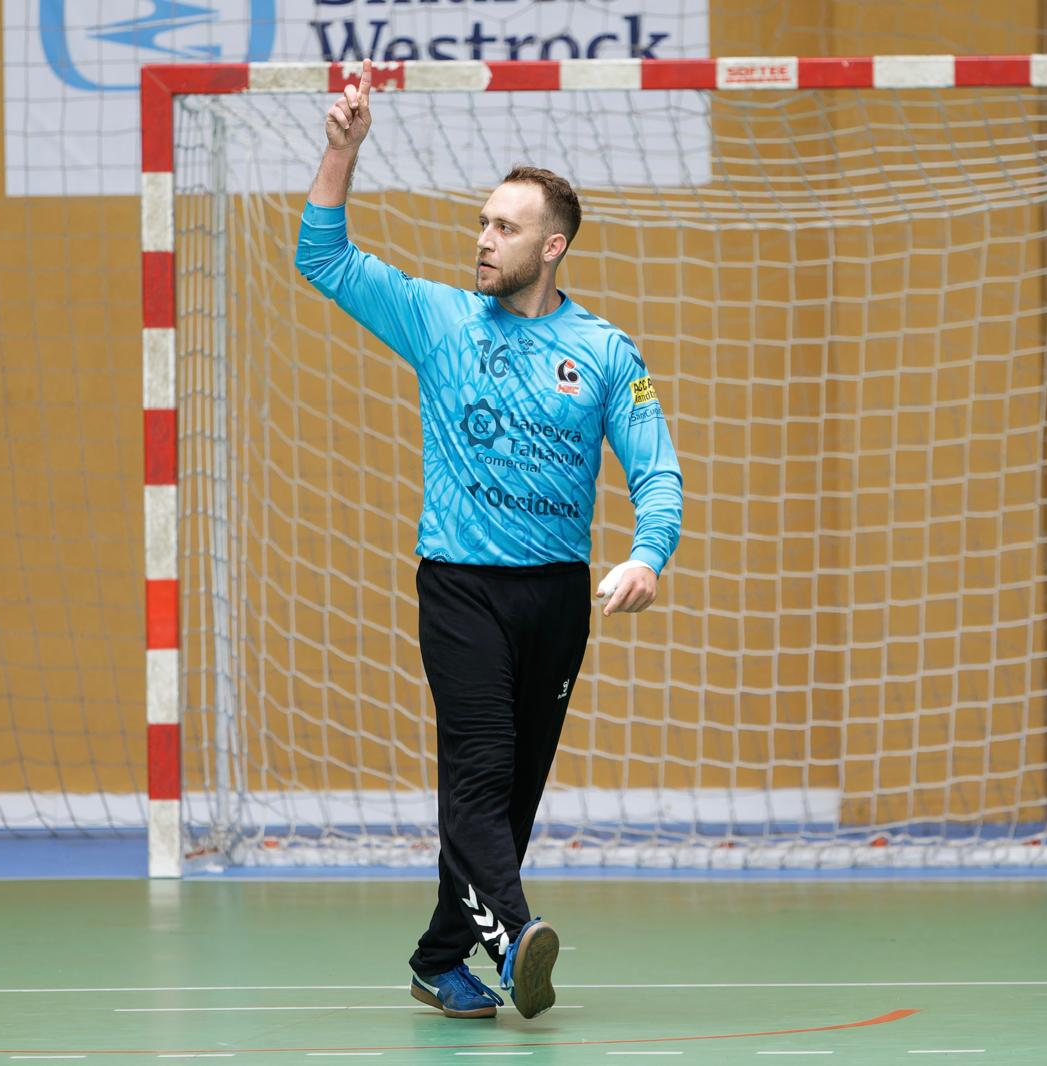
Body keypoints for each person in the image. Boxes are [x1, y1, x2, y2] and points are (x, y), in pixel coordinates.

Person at [294, 59, 683, 1021]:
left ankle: (438, 958)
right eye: (481, 222)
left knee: (511, 801)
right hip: (460, 587)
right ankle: (516, 946)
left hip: (555, 599)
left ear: (552, 247)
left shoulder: (601, 353)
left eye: (503, 228)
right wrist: (341, 151)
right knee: (477, 772)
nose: (483, 240)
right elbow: (325, 259)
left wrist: (646, 553)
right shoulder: (439, 320)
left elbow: (657, 470)